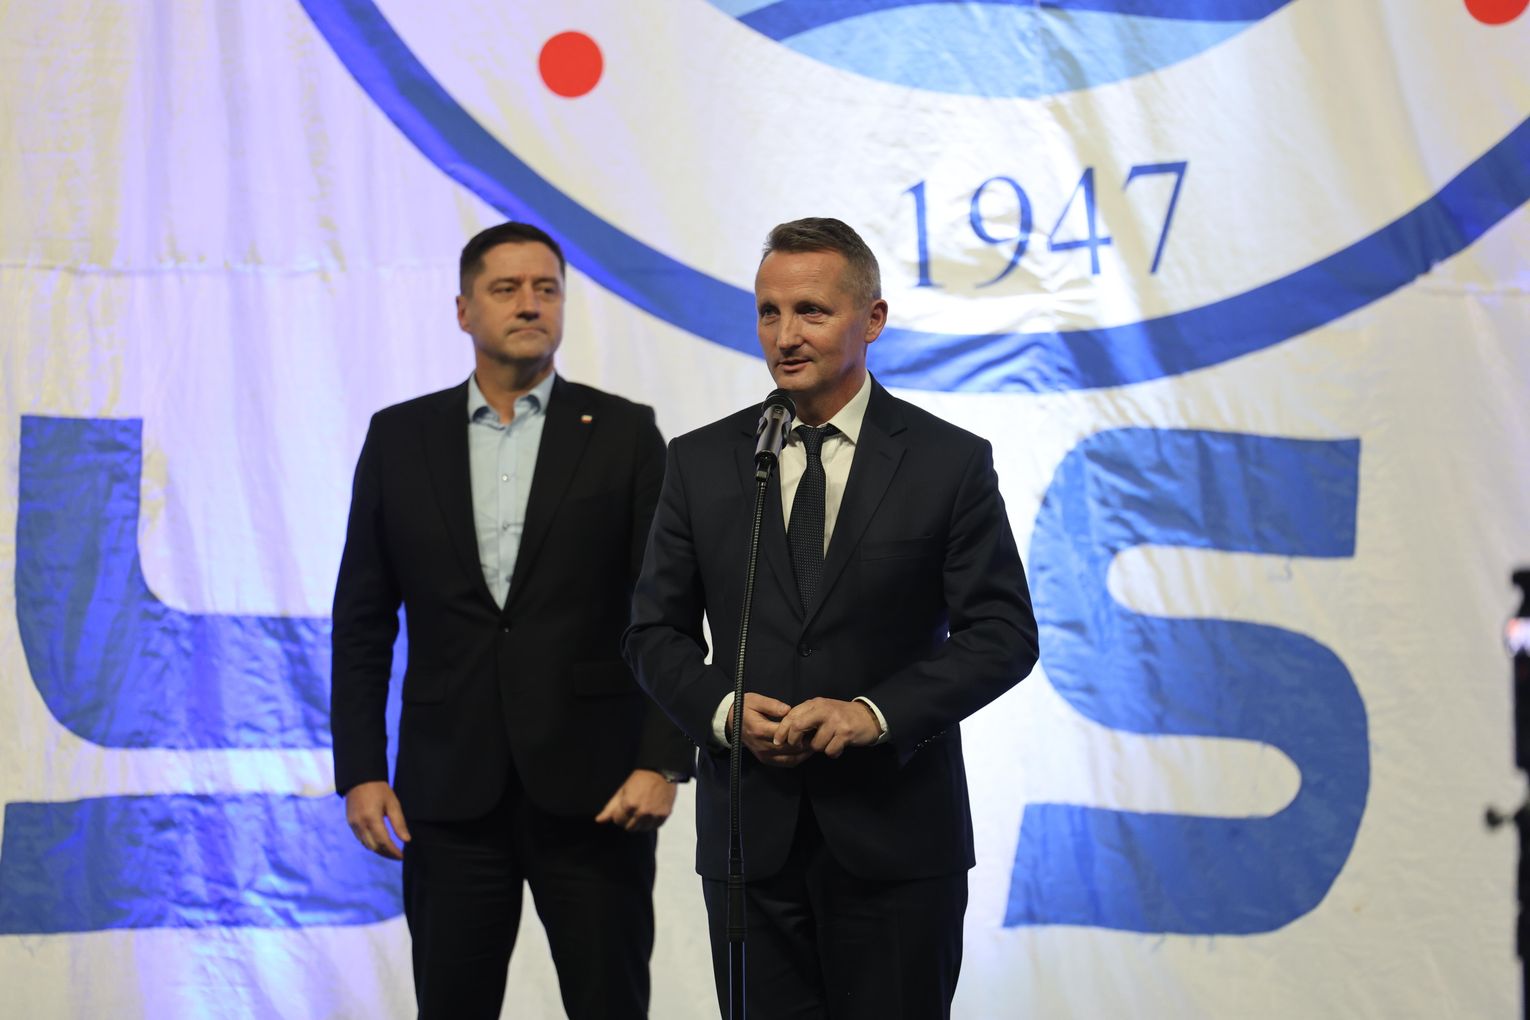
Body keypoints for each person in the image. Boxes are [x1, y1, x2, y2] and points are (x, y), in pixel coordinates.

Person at [623, 217, 1040, 1018]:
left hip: (898, 840)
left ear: (872, 320)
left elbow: (1002, 635)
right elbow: (652, 633)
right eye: (768, 312)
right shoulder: (702, 462)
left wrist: (873, 713)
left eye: (810, 311)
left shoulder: (948, 462)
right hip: (751, 843)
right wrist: (722, 711)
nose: (785, 336)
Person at [330, 221, 693, 1019]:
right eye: (506, 289)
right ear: (464, 310)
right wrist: (360, 769)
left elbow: (669, 607)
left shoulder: (625, 433)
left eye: (546, 289)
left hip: (600, 791)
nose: (530, 304)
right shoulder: (399, 438)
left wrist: (664, 762)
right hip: (447, 792)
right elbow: (362, 619)